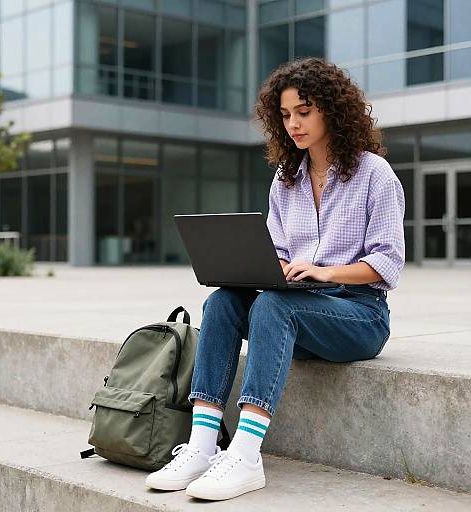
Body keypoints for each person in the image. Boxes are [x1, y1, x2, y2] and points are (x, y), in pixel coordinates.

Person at [145, 57, 405, 501]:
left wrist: (323, 270)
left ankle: (245, 455)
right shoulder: (285, 181)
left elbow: (388, 263)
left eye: (304, 112)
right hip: (298, 310)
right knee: (224, 302)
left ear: (332, 110)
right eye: (285, 116)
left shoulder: (373, 174)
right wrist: (270, 268)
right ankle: (204, 446)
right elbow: (280, 253)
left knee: (274, 305)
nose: (294, 124)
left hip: (359, 316)